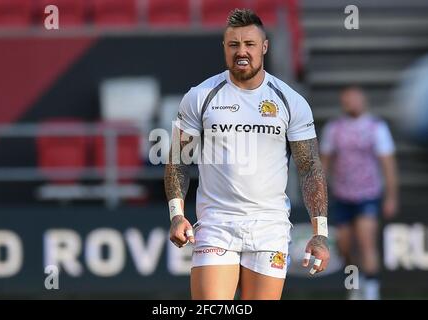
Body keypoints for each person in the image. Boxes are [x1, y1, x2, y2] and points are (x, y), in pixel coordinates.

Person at [164, 9, 329, 300]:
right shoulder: (201, 96)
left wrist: (320, 233)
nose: (242, 51)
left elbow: (309, 167)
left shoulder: (290, 101)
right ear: (225, 48)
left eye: (250, 44)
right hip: (217, 223)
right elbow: (178, 160)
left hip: (269, 227)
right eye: (234, 45)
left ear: (264, 47)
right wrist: (176, 215)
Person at [320, 86, 399, 300]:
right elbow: (325, 162)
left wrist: (391, 196)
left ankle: (372, 292)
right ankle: (354, 285)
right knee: (345, 246)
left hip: (368, 194)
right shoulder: (334, 128)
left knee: (366, 242)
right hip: (342, 194)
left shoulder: (376, 127)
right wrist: (319, 192)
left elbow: (387, 163)